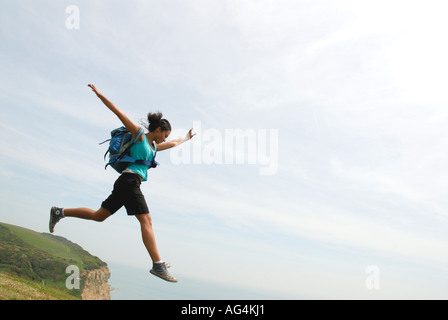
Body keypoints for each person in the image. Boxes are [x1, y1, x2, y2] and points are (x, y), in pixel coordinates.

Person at [49, 84, 195, 283]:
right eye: (164, 135)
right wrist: (100, 95)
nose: (164, 139)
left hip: (127, 182)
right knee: (147, 221)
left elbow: (173, 144)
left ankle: (59, 212)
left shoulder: (153, 147)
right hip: (129, 182)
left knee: (99, 216)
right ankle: (158, 265)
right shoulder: (138, 135)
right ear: (159, 129)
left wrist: (186, 138)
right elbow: (118, 112)